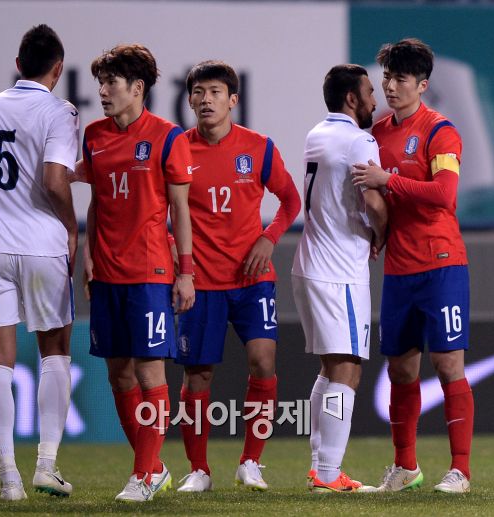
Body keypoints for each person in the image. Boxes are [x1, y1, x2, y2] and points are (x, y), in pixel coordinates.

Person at [352, 38, 473, 494]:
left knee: (448, 364)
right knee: (401, 370)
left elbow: (444, 195)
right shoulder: (378, 132)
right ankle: (406, 467)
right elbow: (375, 198)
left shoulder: (442, 131)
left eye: (401, 78)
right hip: (400, 269)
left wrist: (389, 180)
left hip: (442, 265)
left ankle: (459, 469)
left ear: (422, 85)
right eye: (387, 77)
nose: (390, 85)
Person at [175, 60, 301, 493]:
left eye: (214, 92)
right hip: (201, 282)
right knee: (198, 376)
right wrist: (180, 265)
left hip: (252, 278)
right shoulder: (177, 149)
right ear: (189, 98)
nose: (205, 100)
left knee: (263, 360)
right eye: (198, 92)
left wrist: (269, 238)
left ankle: (251, 461)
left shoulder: (259, 147)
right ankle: (199, 469)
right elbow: (162, 212)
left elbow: (289, 201)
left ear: (233, 99)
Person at [81, 44, 194, 502]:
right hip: (106, 274)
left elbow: (180, 211)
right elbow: (96, 202)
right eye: (101, 83)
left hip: (149, 272)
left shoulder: (168, 137)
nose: (103, 92)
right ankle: (155, 467)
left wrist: (185, 272)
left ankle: (143, 474)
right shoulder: (93, 135)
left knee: (150, 374)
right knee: (118, 376)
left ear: (138, 88)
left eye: (111, 83)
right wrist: (87, 259)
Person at [0, 24, 78, 500]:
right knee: (55, 351)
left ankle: (8, 479)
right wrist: (72, 226)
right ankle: (46, 464)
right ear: (57, 70)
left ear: (18, 64)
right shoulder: (59, 110)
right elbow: (55, 178)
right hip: (43, 244)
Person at [291, 65, 387, 493]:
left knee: (330, 368)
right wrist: (381, 231)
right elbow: (373, 199)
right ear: (352, 98)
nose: (374, 100)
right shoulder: (359, 139)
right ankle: (328, 474)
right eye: (369, 92)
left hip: (310, 263)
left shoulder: (317, 133)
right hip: (339, 272)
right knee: (347, 368)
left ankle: (321, 470)